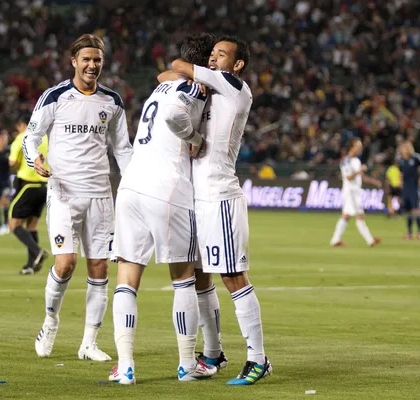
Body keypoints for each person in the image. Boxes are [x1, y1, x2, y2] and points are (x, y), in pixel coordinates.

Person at [108, 33, 218, 386]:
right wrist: (197, 140)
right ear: (204, 65)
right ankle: (187, 363)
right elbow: (175, 117)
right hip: (168, 188)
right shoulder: (196, 88)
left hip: (130, 187)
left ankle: (124, 366)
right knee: (183, 277)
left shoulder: (162, 86)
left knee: (127, 277)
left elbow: (165, 78)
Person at [163, 36, 272, 385]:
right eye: (211, 54)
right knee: (199, 276)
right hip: (198, 197)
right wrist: (190, 81)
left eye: (220, 54)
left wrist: (190, 74)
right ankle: (213, 354)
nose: (213, 59)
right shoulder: (210, 89)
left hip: (221, 197)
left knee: (232, 277)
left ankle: (258, 359)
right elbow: (163, 77)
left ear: (237, 65)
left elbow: (176, 67)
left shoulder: (235, 88)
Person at [23, 34, 133, 362]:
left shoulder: (112, 101)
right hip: (64, 193)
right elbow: (32, 135)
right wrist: (36, 160)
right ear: (74, 61)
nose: (92, 65)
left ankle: (89, 343)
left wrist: (133, 184)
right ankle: (50, 321)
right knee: (66, 263)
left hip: (100, 194)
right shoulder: (55, 96)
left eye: (97, 59)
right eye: (86, 59)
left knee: (99, 268)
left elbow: (122, 149)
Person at [8, 117, 50, 275]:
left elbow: (12, 162)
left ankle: (37, 251)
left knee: (13, 224)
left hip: (28, 184)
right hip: (44, 186)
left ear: (23, 125)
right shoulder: (47, 137)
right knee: (31, 225)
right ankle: (30, 266)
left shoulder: (23, 136)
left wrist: (19, 163)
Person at [330, 138, 382, 247]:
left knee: (346, 216)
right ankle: (370, 240)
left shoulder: (356, 160)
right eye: (358, 146)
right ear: (352, 147)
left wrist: (374, 181)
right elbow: (348, 177)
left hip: (355, 191)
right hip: (350, 192)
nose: (360, 148)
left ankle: (335, 240)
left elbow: (360, 176)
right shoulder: (346, 161)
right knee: (359, 215)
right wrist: (359, 170)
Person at [398, 142, 420, 240]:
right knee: (408, 211)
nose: (402, 149)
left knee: (416, 209)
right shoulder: (401, 160)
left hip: (414, 186)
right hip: (406, 187)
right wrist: (400, 182)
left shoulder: (416, 157)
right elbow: (401, 172)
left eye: (403, 147)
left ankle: (419, 233)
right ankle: (409, 233)